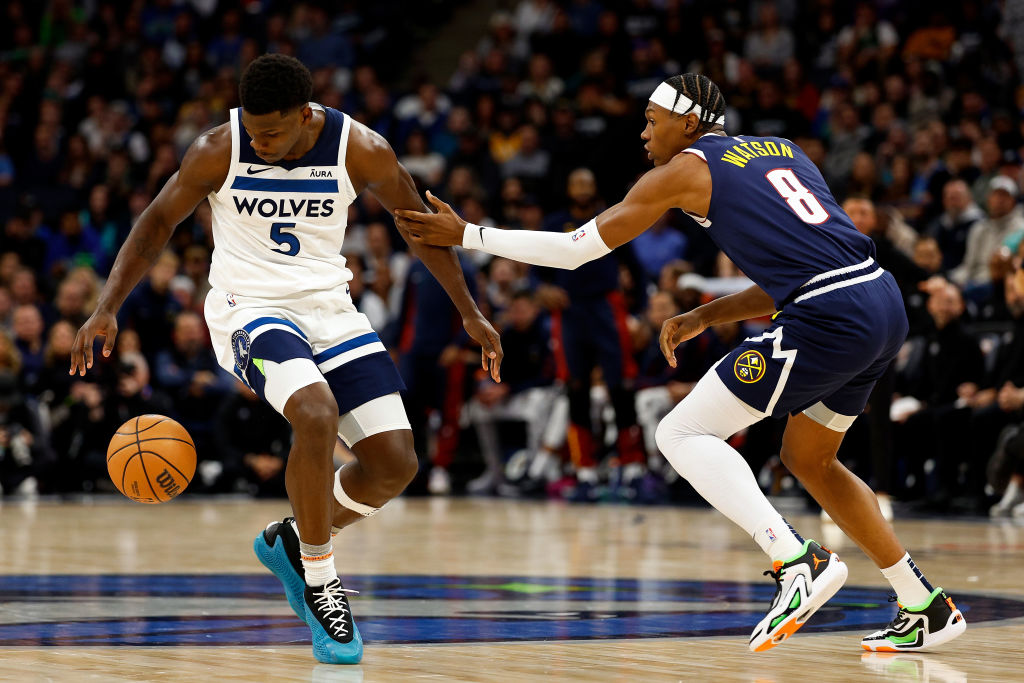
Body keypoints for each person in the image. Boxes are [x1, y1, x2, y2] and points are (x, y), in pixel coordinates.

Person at [395, 73, 966, 653]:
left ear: (688, 122)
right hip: (880, 301)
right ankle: (924, 603)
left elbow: (575, 251)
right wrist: (704, 315)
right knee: (810, 460)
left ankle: (796, 559)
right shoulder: (783, 151)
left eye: (651, 119)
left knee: (681, 430)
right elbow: (804, 271)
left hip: (830, 316)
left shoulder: (685, 171)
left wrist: (467, 233)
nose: (644, 132)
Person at [69, 54, 502, 665]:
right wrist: (107, 305)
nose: (261, 143)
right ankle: (322, 583)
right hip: (248, 311)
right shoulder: (219, 149)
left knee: (394, 465)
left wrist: (470, 310)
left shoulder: (362, 148)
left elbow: (420, 227)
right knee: (316, 414)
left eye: (272, 132)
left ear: (306, 115)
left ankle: (293, 540)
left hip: (331, 311)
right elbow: (158, 220)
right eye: (254, 129)